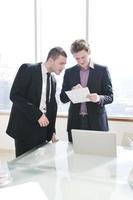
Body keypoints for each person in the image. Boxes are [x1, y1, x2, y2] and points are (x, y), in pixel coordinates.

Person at [6, 47, 67, 157]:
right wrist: (38, 115)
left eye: (64, 64)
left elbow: (52, 107)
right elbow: (15, 95)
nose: (63, 67)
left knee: (38, 167)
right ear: (50, 60)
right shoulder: (28, 69)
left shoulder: (53, 80)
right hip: (25, 128)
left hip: (43, 130)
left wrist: (52, 132)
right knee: (23, 166)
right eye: (61, 63)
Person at [60, 39, 113, 142]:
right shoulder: (69, 72)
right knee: (74, 155)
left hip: (97, 122)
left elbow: (110, 97)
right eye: (77, 58)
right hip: (76, 121)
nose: (81, 61)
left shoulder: (102, 71)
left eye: (83, 57)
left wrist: (99, 98)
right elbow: (62, 98)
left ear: (89, 52)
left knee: (98, 155)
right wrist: (72, 91)